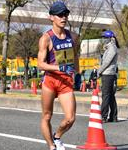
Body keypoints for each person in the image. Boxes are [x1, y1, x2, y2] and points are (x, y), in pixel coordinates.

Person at [37, 1, 79, 150]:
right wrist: (59, 68)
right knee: (47, 116)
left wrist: (77, 72)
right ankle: (51, 146)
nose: (63, 17)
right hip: (50, 81)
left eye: (65, 14)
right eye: (60, 15)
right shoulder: (46, 38)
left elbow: (75, 57)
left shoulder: (73, 36)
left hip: (66, 82)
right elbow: (40, 64)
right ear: (51, 18)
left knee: (70, 118)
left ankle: (57, 137)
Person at [97, 30, 120, 123]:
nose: (104, 39)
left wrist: (99, 71)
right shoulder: (108, 48)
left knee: (106, 96)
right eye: (103, 38)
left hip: (108, 74)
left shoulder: (112, 48)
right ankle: (113, 117)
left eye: (105, 38)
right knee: (110, 96)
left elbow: (106, 62)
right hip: (108, 74)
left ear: (111, 38)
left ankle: (103, 116)